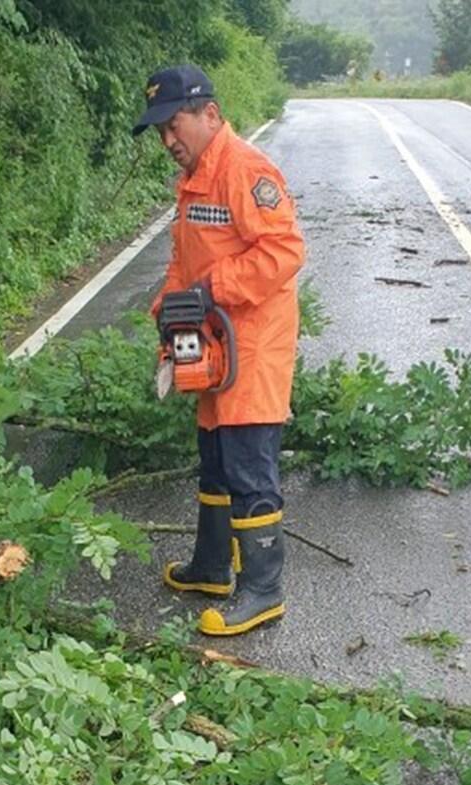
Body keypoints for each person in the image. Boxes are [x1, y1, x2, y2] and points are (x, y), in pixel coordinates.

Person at [133, 64, 305, 636]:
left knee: (249, 466)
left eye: (173, 125)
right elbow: (185, 261)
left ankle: (263, 589)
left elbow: (283, 252)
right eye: (160, 131)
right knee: (213, 455)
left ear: (209, 114)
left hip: (252, 347)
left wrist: (211, 290)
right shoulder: (195, 180)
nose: (168, 141)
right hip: (210, 343)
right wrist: (169, 309)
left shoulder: (246, 171)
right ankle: (211, 567)